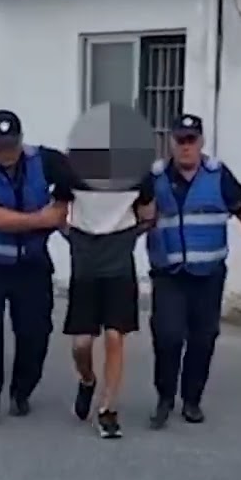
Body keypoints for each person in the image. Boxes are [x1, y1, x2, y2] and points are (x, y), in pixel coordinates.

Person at [134, 113, 241, 429]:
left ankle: (192, 400)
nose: (186, 147)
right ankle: (165, 398)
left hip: (208, 275)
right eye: (180, 140)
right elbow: (138, 219)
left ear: (201, 142)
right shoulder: (154, 177)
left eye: (191, 140)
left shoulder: (218, 175)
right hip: (169, 273)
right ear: (171, 142)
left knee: (203, 339)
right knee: (167, 336)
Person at [0, 110, 72, 427]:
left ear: (21, 140)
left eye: (10, 146)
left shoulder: (45, 160)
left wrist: (61, 207)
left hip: (31, 265)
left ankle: (22, 391)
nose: (5, 153)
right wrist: (43, 219)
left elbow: (73, 184)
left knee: (35, 332)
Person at [55, 153, 154, 439]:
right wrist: (75, 239)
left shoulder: (138, 174)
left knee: (114, 336)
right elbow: (58, 212)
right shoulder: (72, 171)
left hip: (119, 265)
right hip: (85, 264)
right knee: (81, 344)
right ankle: (87, 380)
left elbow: (148, 215)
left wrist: (124, 239)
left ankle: (108, 409)